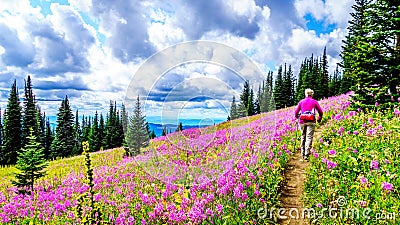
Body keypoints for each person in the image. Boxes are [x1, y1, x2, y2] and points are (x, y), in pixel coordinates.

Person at [294, 88, 323, 161]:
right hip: (311, 121)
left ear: (305, 94)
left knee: (303, 136)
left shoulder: (301, 102)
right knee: (309, 137)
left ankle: (302, 152)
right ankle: (307, 154)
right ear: (312, 94)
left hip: (302, 121)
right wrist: (319, 118)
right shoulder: (314, 102)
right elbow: (320, 111)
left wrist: (297, 118)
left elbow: (296, 112)